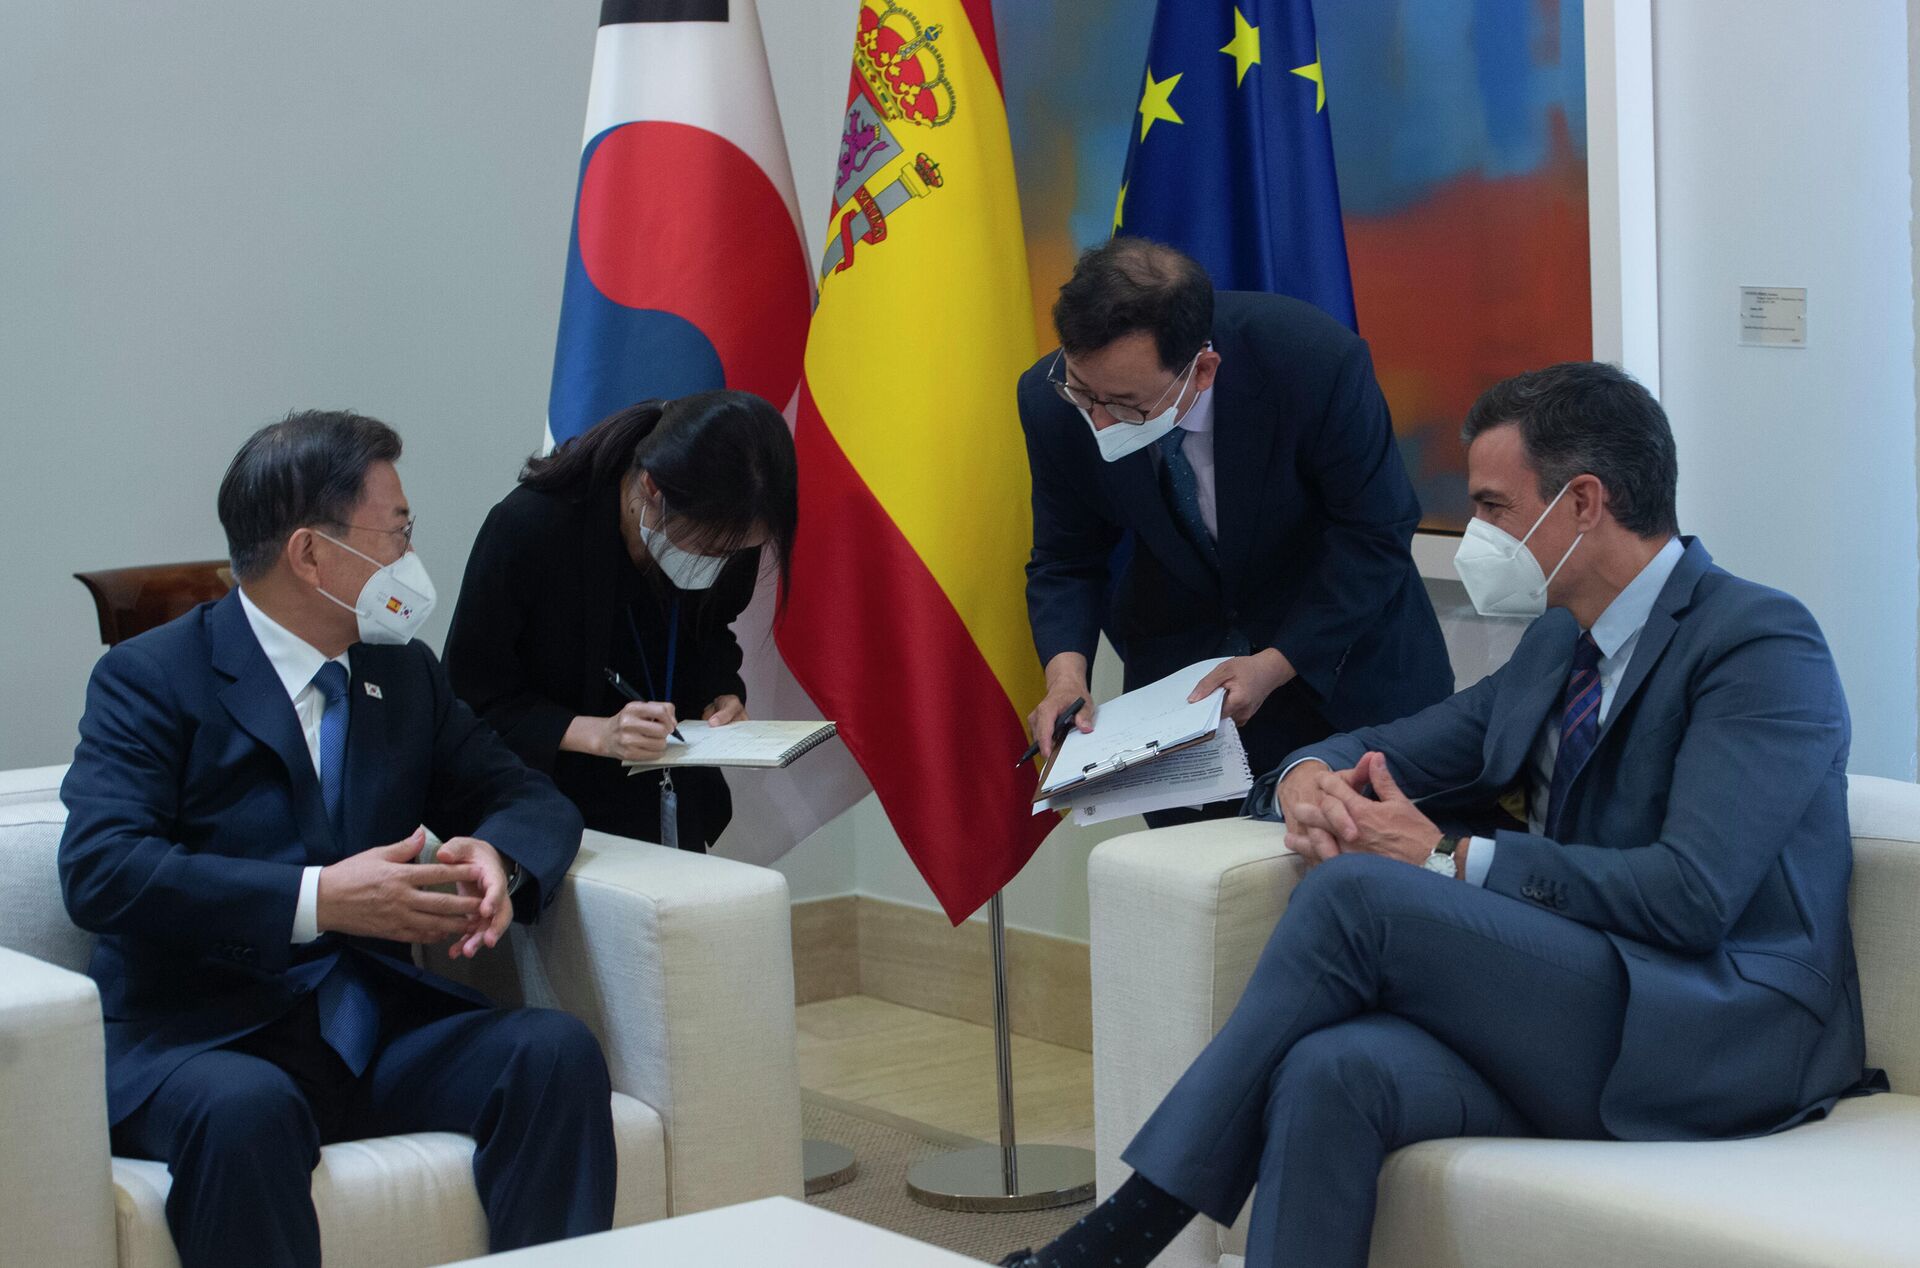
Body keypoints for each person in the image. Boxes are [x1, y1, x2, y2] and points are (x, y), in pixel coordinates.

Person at [1003, 363, 1876, 1268]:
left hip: (1720, 1029)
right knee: (1329, 1072)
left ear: (1583, 502)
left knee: (1358, 900)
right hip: (1587, 1003)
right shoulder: (1555, 645)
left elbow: (1693, 896)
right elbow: (1395, 744)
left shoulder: (1760, 643)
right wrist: (1306, 776)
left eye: (1496, 508)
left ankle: (1120, 1237)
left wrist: (1449, 856)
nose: (1477, 535)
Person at [58, 411, 617, 1268]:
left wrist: (495, 855)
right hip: (203, 1037)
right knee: (248, 1110)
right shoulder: (152, 678)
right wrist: (321, 899)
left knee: (551, 1052)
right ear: (311, 556)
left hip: (371, 1025)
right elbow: (103, 870)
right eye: (396, 533)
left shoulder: (403, 672)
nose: (409, 559)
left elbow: (523, 794)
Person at [1017, 238, 1451, 822]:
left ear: (1202, 370)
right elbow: (1066, 557)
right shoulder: (1051, 402)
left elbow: (1375, 532)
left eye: (1123, 404)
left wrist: (1274, 663)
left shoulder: (1311, 361)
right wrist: (1066, 676)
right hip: (1184, 705)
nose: (1096, 420)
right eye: (1082, 391)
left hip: (1345, 676)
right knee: (1194, 896)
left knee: (1347, 893)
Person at [444, 391, 796, 852]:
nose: (725, 562)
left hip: (668, 787)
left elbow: (710, 634)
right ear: (652, 489)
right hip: (548, 806)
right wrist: (600, 733)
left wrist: (722, 694)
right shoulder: (530, 530)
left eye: (740, 551)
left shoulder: (731, 532)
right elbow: (471, 698)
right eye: (711, 548)